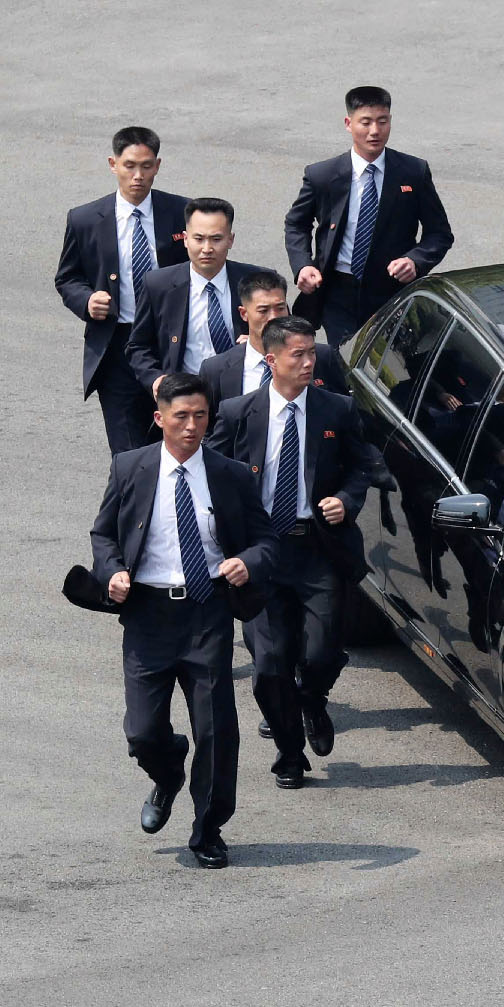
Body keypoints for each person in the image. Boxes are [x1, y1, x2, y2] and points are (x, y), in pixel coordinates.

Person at [88, 373, 277, 868]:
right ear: (160, 419)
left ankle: (208, 829)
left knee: (215, 730)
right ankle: (167, 773)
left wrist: (248, 563)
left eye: (200, 416)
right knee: (143, 730)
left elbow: (266, 541)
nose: (192, 426)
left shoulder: (231, 475)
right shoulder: (130, 467)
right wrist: (112, 573)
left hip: (206, 610)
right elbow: (103, 534)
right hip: (148, 614)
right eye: (181, 417)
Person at [207, 316, 376, 787]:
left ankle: (313, 701)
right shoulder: (238, 413)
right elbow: (212, 476)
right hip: (260, 556)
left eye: (311, 353)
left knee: (321, 653)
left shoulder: (336, 410)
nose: (307, 362)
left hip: (316, 549)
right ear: (271, 360)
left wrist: (345, 499)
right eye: (296, 355)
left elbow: (363, 467)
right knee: (268, 665)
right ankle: (288, 751)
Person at [284, 86, 454, 347]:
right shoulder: (323, 175)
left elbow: (439, 233)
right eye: (366, 122)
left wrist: (415, 260)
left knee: (392, 364)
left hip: (392, 291)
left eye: (382, 121)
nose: (375, 131)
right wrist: (303, 265)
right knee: (343, 362)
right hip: (337, 292)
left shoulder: (413, 172)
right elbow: (296, 223)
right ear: (348, 123)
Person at [55, 127, 189, 454]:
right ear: (113, 164)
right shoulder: (85, 219)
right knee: (128, 454)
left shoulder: (182, 213)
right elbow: (67, 277)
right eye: (129, 166)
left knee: (175, 446)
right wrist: (86, 300)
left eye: (146, 166)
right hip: (117, 349)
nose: (138, 176)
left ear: (157, 165)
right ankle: (130, 503)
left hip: (171, 346)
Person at [124, 198, 267, 396]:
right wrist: (156, 379)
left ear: (230, 240)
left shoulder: (259, 281)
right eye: (199, 239)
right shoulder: (158, 284)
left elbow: (285, 336)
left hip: (245, 395)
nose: (207, 248)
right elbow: (138, 345)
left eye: (216, 239)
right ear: (185, 238)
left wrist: (260, 343)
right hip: (187, 396)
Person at [199, 270, 349, 417]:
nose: (274, 317)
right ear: (244, 313)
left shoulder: (321, 357)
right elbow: (209, 430)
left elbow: (343, 413)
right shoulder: (216, 370)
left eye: (280, 308)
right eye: (263, 310)